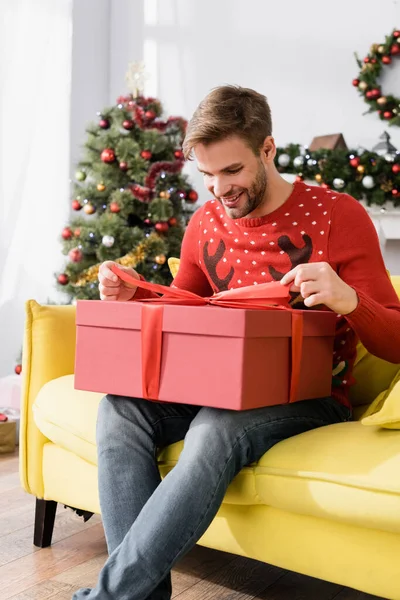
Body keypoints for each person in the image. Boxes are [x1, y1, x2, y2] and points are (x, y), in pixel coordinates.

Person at [73, 85, 400, 600]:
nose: (219, 188)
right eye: (206, 174)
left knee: (215, 430)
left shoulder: (339, 214)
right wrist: (136, 295)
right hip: (219, 386)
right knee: (120, 410)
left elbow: (397, 342)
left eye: (232, 171)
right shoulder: (206, 221)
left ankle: (109, 597)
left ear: (267, 149)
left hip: (309, 397)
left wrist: (347, 300)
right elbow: (185, 310)